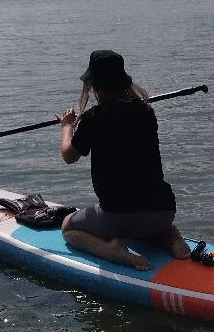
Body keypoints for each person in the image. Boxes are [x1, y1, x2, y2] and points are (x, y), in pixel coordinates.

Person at [58, 50, 190, 271]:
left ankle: (112, 250)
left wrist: (67, 127)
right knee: (147, 222)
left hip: (118, 215)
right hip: (164, 211)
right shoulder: (146, 112)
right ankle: (170, 237)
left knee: (68, 228)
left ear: (96, 86)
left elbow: (69, 156)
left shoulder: (93, 118)